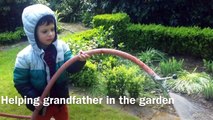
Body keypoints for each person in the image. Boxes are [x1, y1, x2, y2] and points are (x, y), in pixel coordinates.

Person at [13, 4, 90, 120]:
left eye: (52, 29)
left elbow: (70, 67)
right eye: (44, 31)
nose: (50, 34)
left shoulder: (62, 47)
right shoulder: (24, 57)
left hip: (60, 101)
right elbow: (21, 82)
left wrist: (79, 61)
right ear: (33, 33)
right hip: (41, 106)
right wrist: (32, 97)